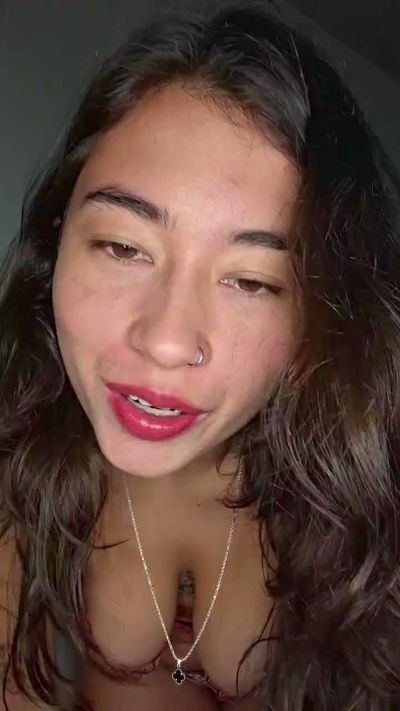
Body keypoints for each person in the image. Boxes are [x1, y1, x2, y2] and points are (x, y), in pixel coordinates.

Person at [1, 0, 400, 708]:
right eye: (123, 247)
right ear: (57, 239)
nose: (165, 340)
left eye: (252, 281)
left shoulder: (369, 500)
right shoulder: (21, 456)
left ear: (325, 309)